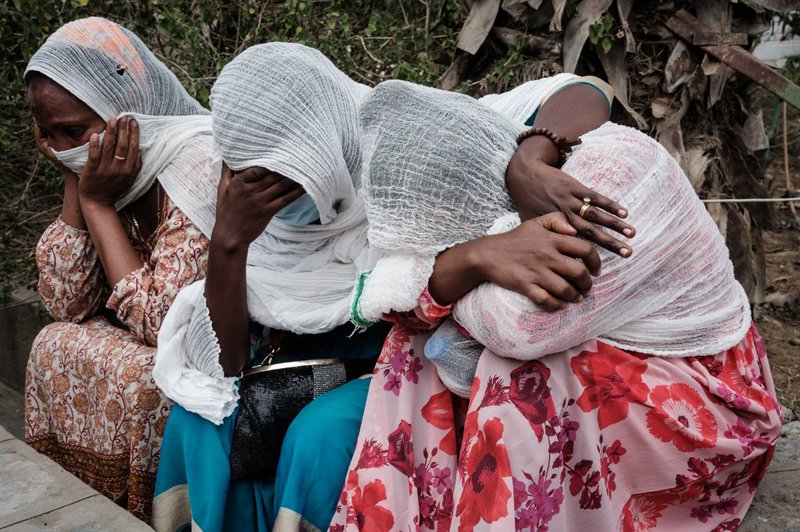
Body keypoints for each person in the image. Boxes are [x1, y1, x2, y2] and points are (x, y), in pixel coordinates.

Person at [151, 43, 630, 532]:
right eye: (251, 177)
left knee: (319, 437)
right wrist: (230, 245)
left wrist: (528, 161)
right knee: (198, 419)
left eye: (289, 176)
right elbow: (226, 367)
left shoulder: (401, 138)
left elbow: (587, 90)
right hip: (313, 365)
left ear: (326, 143)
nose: (269, 198)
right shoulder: (243, 213)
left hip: (407, 358)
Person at [332, 82, 782, 530]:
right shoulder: (523, 181)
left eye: (454, 241)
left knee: (518, 378)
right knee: (413, 344)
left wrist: (463, 265)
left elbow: (519, 329)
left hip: (708, 404)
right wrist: (476, 256)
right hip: (621, 359)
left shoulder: (608, 183)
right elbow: (399, 300)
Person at [24, 17, 217, 521]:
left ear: (124, 108)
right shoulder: (106, 169)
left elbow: (164, 326)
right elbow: (67, 302)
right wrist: (78, 181)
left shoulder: (195, 163)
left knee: (142, 377)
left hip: (213, 350)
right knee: (53, 341)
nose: (63, 145)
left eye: (74, 131)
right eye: (47, 133)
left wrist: (99, 204)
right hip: (147, 333)